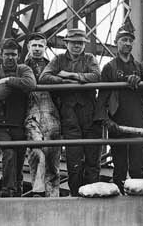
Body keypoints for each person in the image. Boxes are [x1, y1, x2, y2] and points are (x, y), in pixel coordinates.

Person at [42, 27, 102, 194]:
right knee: (73, 157)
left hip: (90, 112)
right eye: (74, 42)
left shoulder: (89, 58)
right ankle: (76, 193)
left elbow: (97, 76)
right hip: (69, 114)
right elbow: (44, 77)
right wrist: (67, 81)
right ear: (66, 43)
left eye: (81, 43)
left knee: (92, 157)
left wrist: (71, 76)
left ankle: (92, 193)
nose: (77, 46)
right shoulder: (58, 59)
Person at [0, 38, 37, 197]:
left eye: (13, 54)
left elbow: (31, 84)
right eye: (7, 54)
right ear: (0, 55)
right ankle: (8, 191)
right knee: (9, 152)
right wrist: (18, 84)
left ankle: (17, 191)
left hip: (18, 124)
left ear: (18, 55)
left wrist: (6, 80)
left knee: (19, 160)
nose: (10, 58)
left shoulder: (24, 69)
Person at [100, 26, 143, 190]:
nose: (127, 43)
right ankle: (119, 199)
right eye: (123, 40)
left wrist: (140, 83)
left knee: (137, 166)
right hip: (117, 120)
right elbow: (102, 98)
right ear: (116, 43)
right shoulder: (109, 68)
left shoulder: (139, 66)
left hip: (137, 119)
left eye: (130, 40)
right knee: (119, 167)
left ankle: (138, 202)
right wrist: (107, 121)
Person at [23, 32, 61, 197]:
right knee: (36, 152)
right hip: (31, 114)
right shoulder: (21, 67)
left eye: (40, 45)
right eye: (34, 45)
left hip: (52, 115)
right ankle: (38, 190)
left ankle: (53, 194)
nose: (37, 49)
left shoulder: (53, 66)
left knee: (52, 157)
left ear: (45, 48)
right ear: (28, 47)